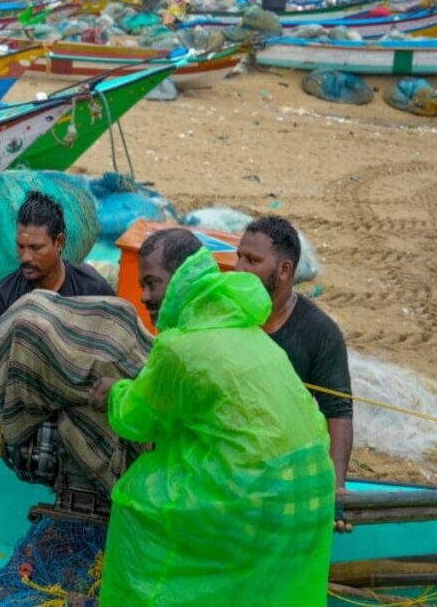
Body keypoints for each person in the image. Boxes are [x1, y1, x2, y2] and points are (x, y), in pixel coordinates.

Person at [89, 228, 334, 606]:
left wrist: (114, 392)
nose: (145, 297)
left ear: (182, 277)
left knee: (137, 503)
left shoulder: (178, 346)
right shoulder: (246, 329)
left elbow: (137, 419)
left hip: (254, 491)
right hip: (313, 483)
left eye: (153, 283)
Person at [235, 215, 353, 531]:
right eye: (239, 257)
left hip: (283, 468)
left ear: (285, 271)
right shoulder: (228, 314)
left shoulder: (319, 332)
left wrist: (335, 492)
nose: (239, 269)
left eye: (253, 261)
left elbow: (338, 411)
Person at [0, 191, 114, 329]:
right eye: (21, 246)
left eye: (36, 248)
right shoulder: (3, 298)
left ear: (59, 242)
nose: (26, 257)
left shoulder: (93, 291)